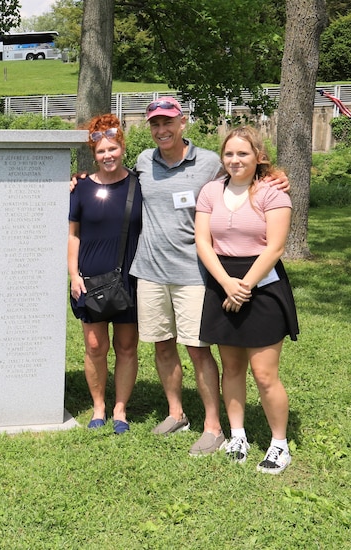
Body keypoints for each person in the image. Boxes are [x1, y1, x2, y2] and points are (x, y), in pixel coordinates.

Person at [129, 97, 290, 456]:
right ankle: (176, 413)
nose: (161, 130)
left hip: (194, 273)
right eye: (154, 124)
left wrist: (276, 177)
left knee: (199, 350)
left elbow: (244, 176)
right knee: (162, 345)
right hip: (150, 271)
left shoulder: (208, 163)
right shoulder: (142, 161)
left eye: (167, 122)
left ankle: (214, 426)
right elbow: (115, 178)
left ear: (182, 123)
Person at [195, 126, 299, 474]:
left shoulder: (272, 192)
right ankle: (237, 435)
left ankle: (279, 444)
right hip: (222, 283)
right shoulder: (211, 191)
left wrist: (245, 287)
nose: (235, 160)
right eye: (229, 154)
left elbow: (276, 247)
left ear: (258, 157)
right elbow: (203, 243)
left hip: (263, 286)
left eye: (243, 154)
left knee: (264, 373)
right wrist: (226, 283)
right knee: (233, 368)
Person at [68, 114, 142, 434]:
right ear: (93, 154)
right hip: (91, 280)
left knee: (126, 347)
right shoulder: (80, 187)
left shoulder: (139, 184)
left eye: (112, 148)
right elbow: (73, 235)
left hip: (130, 279)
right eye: (100, 151)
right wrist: (74, 274)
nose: (107, 155)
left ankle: (120, 409)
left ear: (122, 147)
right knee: (96, 346)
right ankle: (98, 407)